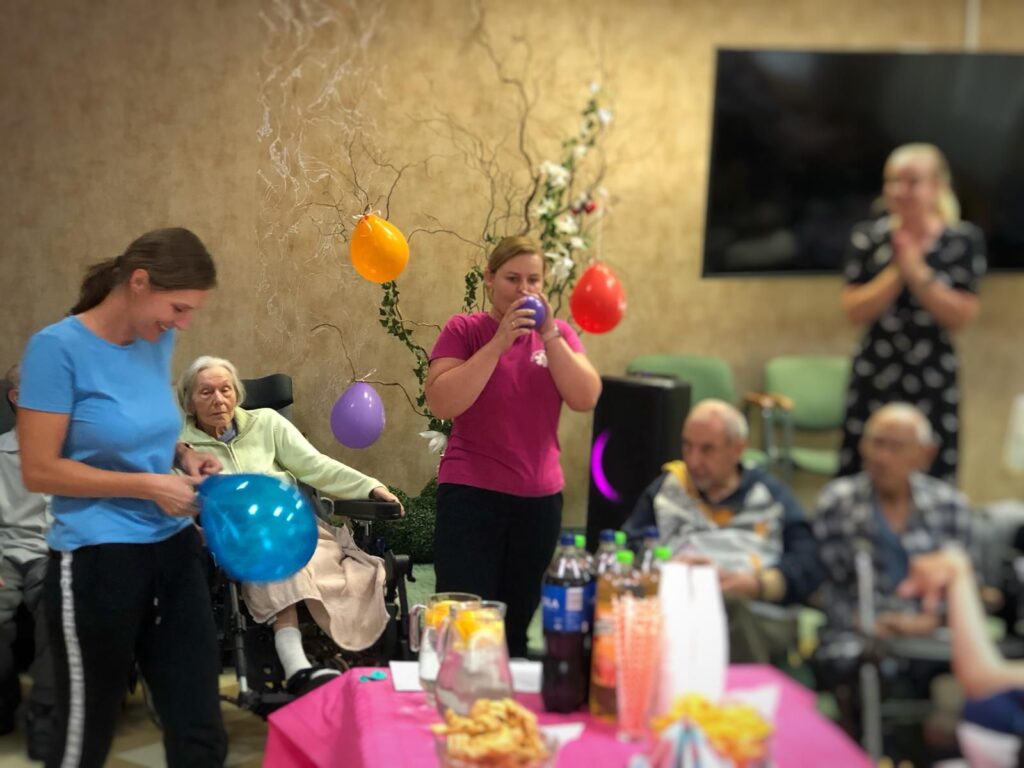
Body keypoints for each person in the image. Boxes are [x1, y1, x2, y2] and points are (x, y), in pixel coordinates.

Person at [17, 228, 227, 768]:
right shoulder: (55, 350)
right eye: (179, 308)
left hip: (174, 553)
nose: (184, 323)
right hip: (96, 561)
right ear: (139, 282)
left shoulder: (157, 340)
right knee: (83, 738)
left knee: (200, 728)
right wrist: (148, 485)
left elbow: (137, 427)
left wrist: (183, 456)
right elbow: (39, 470)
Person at [177, 355, 403, 694]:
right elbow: (176, 497)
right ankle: (297, 665)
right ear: (189, 402)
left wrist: (370, 486)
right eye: (206, 392)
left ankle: (356, 662)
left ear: (237, 394)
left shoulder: (267, 423)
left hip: (297, 526)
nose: (218, 399)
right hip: (240, 538)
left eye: (225, 389)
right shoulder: (180, 446)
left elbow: (316, 465)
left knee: (348, 573)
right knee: (273, 559)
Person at [425, 235, 602, 658]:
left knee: (516, 631)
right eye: (512, 278)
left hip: (538, 502)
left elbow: (586, 397)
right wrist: (499, 344)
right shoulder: (465, 329)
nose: (524, 289)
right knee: (464, 629)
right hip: (472, 495)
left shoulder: (558, 335)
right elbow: (442, 402)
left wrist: (550, 334)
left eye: (533, 280)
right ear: (489, 278)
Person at [623, 399, 823, 662]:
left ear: (737, 450)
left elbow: (809, 560)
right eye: (687, 446)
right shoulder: (668, 488)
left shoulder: (769, 495)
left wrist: (757, 585)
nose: (693, 460)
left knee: (729, 608)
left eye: (707, 449)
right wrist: (668, 569)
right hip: (677, 607)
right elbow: (628, 547)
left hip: (752, 615)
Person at [838, 142, 986, 484]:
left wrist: (918, 273)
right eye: (893, 181)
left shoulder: (962, 240)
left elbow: (962, 316)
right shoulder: (868, 237)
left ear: (937, 186)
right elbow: (854, 309)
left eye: (911, 181)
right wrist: (896, 271)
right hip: (876, 368)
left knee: (931, 470)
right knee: (865, 469)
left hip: (931, 371)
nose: (900, 191)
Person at [816, 402, 971, 635]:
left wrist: (931, 621)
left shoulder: (950, 506)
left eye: (896, 447)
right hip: (854, 635)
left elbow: (968, 588)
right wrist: (860, 622)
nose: (882, 457)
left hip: (932, 637)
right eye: (877, 443)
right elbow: (820, 584)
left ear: (926, 454)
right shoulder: (837, 502)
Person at [0, 363, 55, 759]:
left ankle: (46, 715)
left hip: (54, 554)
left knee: (60, 605)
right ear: (16, 398)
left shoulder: (75, 450)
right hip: (4, 552)